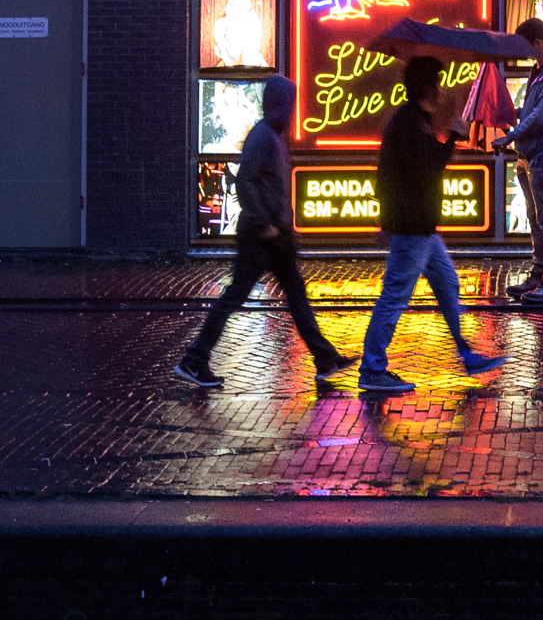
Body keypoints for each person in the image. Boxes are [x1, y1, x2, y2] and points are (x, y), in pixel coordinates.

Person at [174, 74, 357, 388]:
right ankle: (194, 359)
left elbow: (266, 184)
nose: (292, 109)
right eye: (289, 103)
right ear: (280, 103)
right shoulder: (263, 136)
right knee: (237, 296)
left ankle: (325, 358)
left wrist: (283, 224)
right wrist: (266, 223)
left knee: (295, 297)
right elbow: (244, 182)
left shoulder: (273, 135)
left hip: (276, 234)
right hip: (262, 235)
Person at [357, 57, 505, 394]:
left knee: (447, 283)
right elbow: (428, 169)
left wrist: (386, 220)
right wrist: (453, 137)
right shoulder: (410, 124)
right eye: (437, 83)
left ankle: (466, 353)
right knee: (394, 297)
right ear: (426, 87)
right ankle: (372, 368)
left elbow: (391, 174)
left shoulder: (412, 121)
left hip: (418, 226)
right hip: (413, 226)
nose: (441, 90)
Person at [494, 18, 543, 306]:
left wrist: (510, 135)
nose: (524, 52)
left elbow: (541, 117)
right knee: (537, 218)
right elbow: (532, 113)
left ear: (538, 43)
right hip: (530, 156)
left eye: (526, 45)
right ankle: (539, 275)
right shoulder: (538, 72)